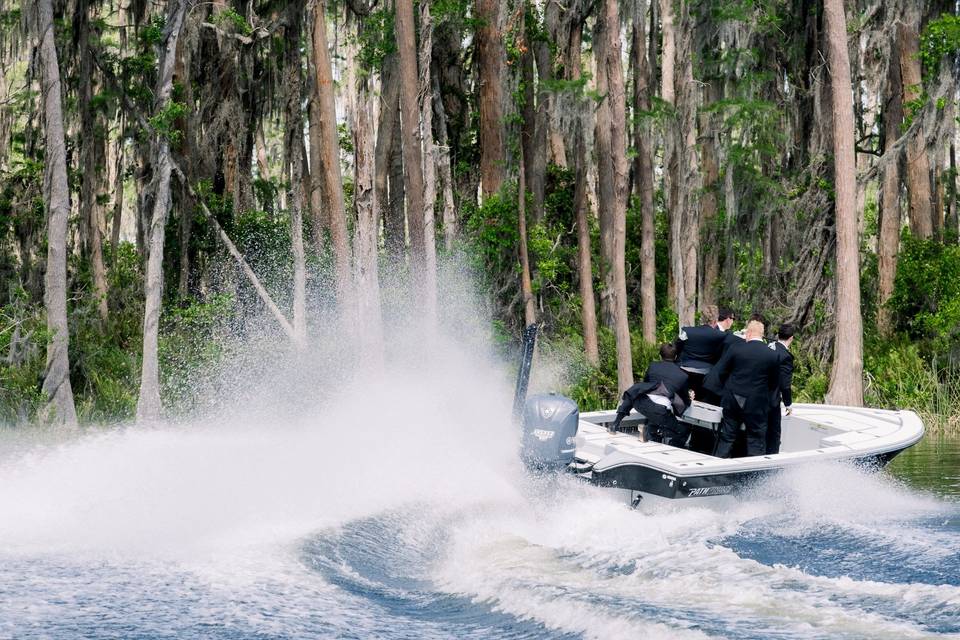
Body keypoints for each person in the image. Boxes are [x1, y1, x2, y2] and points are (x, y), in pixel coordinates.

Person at [703, 319, 780, 458]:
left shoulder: (736, 348)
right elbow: (774, 383)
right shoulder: (772, 355)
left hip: (732, 397)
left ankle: (718, 467)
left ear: (749, 333)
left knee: (727, 436)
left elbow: (721, 371)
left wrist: (724, 391)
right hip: (756, 401)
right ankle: (754, 475)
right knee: (756, 438)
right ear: (761, 334)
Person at [611, 343, 692, 447]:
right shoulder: (683, 376)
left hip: (640, 403)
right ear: (676, 357)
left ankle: (615, 424)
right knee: (684, 430)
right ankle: (670, 444)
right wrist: (689, 400)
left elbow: (646, 384)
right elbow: (684, 399)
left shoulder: (653, 365)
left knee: (635, 392)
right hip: (659, 411)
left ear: (660, 355)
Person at [676, 306, 729, 404]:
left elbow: (677, 348)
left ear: (701, 318)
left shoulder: (687, 331)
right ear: (715, 320)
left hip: (684, 369)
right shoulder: (721, 336)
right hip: (707, 373)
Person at [766, 323, 795, 454]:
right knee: (774, 433)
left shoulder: (768, 347)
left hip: (756, 394)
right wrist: (788, 404)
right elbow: (785, 384)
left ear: (778, 335)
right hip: (771, 399)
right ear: (791, 338)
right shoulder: (786, 357)